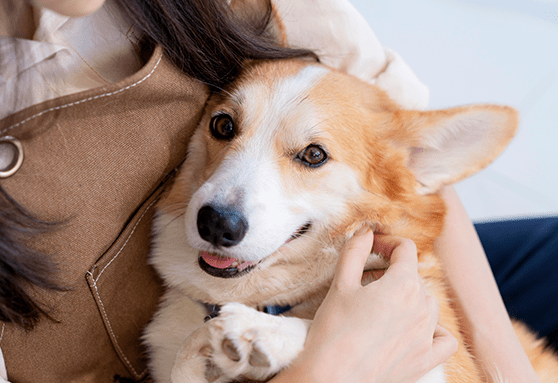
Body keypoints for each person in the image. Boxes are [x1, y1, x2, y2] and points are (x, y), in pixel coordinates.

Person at [0, 0, 554, 382]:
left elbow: (391, 134)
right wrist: (328, 366)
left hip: (334, 257)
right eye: (224, 127)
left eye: (309, 156)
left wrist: (500, 361)